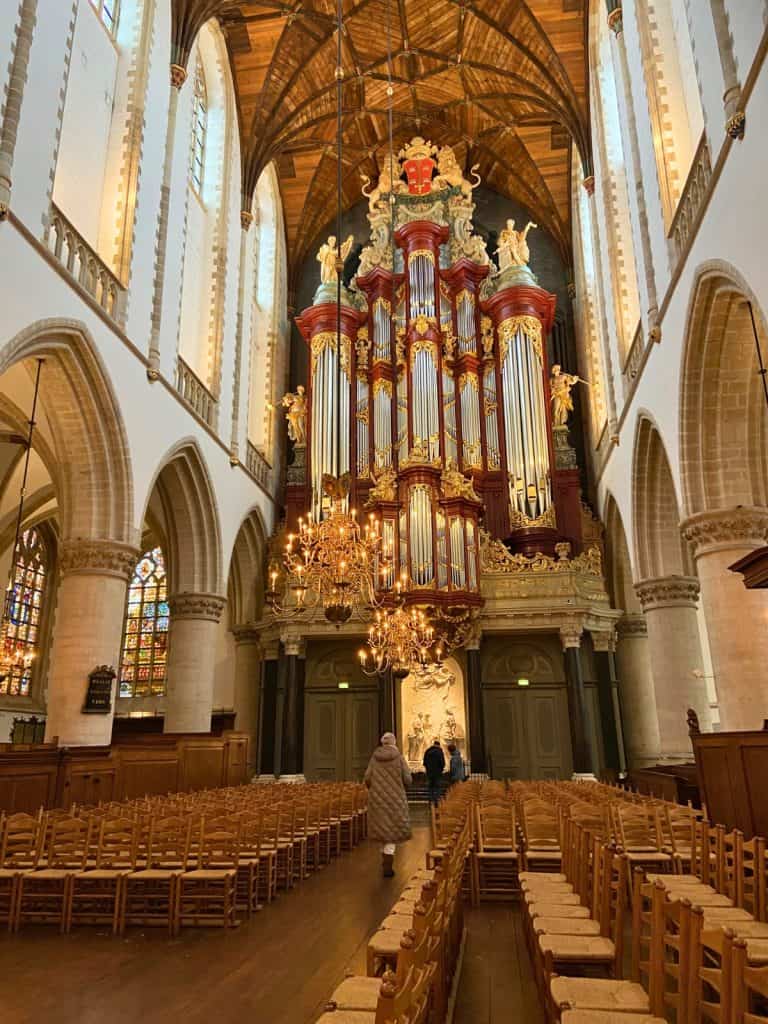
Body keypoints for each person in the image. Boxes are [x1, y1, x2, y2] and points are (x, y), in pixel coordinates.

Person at [364, 732, 412, 878]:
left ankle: (385, 860)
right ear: (394, 742)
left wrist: (375, 788)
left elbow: (367, 778)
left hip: (377, 800)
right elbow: (407, 779)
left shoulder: (375, 758)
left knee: (382, 830)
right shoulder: (399, 758)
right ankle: (388, 865)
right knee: (391, 832)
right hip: (395, 800)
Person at [423, 737, 445, 806]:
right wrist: (441, 769)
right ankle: (436, 801)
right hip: (437, 773)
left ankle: (430, 801)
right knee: (437, 787)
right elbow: (442, 763)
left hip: (429, 773)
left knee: (430, 787)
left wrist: (428, 769)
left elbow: (424, 762)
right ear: (438, 745)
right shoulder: (439, 751)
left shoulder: (427, 751)